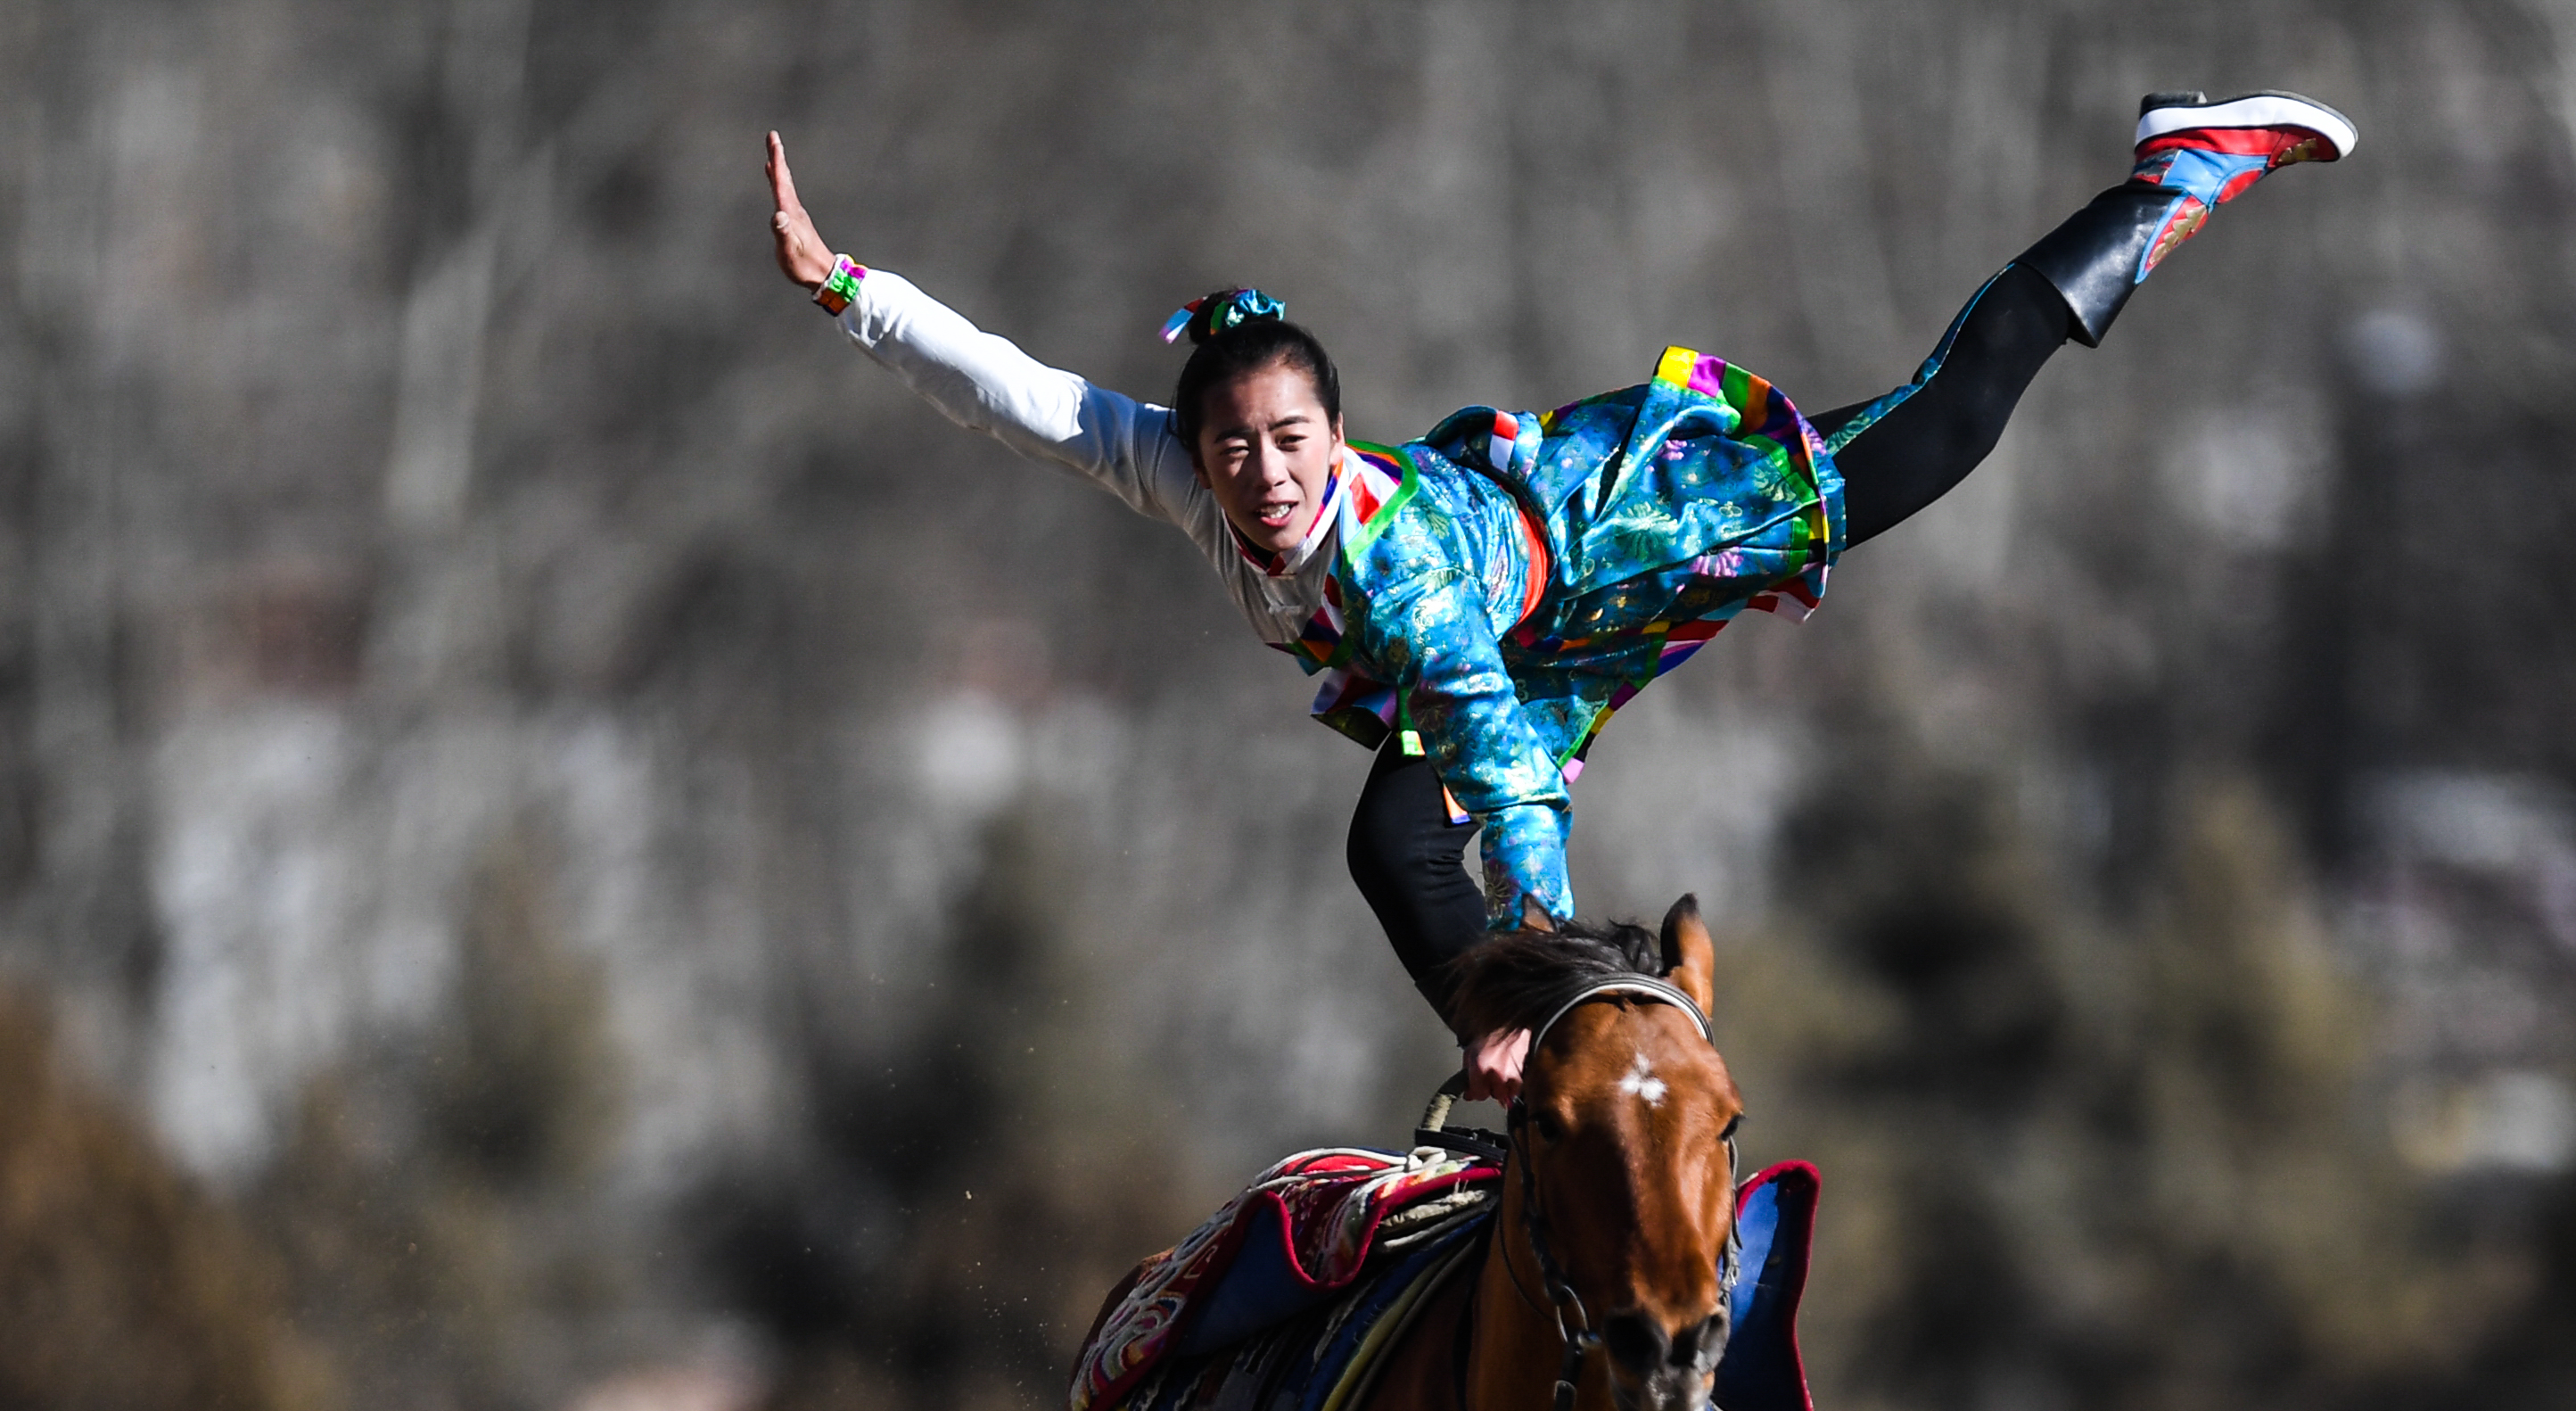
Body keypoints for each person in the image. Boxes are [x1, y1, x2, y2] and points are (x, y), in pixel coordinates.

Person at [763, 93, 2354, 1099]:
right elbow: (1020, 393)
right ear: (1196, 452)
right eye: (1233, 449)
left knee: (1940, 424)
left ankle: (2181, 168)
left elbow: (1496, 757)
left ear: (1333, 431)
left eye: (1292, 441)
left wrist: (1539, 955)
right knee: (1388, 837)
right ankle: (1511, 1033)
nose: (1261, 477)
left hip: (1619, 544)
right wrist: (848, 290)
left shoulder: (1396, 572)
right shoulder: (1180, 476)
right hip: (1536, 644)